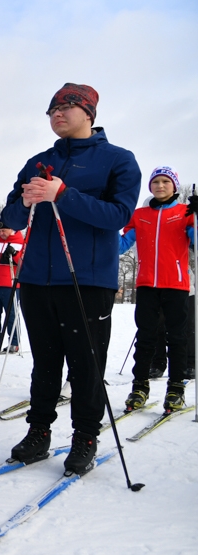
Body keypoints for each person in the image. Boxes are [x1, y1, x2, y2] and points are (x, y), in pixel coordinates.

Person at [1, 82, 141, 475]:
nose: (57, 114)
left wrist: (64, 194)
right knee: (44, 361)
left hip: (87, 279)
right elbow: (10, 219)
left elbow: (118, 216)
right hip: (36, 278)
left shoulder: (118, 159)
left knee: (86, 363)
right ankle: (39, 432)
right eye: (52, 110)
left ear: (89, 113)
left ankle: (85, 437)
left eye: (66, 107)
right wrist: (25, 201)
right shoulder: (38, 161)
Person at [119, 166, 193, 413]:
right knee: (146, 337)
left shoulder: (185, 213)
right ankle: (139, 387)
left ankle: (176, 389)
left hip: (176, 284)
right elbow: (121, 245)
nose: (160, 186)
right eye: (156, 182)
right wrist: (104, 229)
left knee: (177, 338)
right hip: (147, 284)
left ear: (174, 186)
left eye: (165, 181)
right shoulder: (139, 215)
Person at [0, 220, 24, 353]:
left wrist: (15, 255)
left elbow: (24, 263)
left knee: (11, 315)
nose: (1, 233)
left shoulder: (20, 243)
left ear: (12, 229)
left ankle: (14, 342)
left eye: (4, 231)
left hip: (10, 284)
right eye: (0, 231)